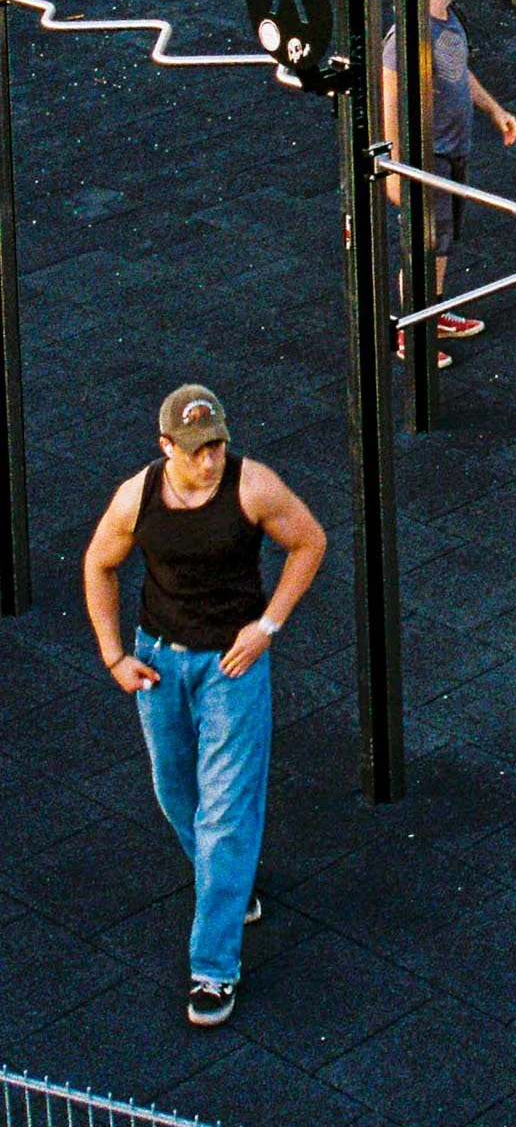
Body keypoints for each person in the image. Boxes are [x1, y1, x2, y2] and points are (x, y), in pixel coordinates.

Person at [82, 386, 326, 1030]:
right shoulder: (137, 496)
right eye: (196, 451)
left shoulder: (254, 487)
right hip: (159, 662)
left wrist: (266, 626)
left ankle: (214, 967)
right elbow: (98, 564)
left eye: (217, 444)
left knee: (226, 812)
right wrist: (113, 656)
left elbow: (309, 541)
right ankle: (231, 884)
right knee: (174, 788)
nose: (211, 460)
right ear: (167, 449)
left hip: (230, 665)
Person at [382, 0, 516, 355]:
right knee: (423, 244)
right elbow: (388, 100)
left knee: (443, 240)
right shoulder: (405, 38)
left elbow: (459, 72)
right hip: (427, 158)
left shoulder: (448, 19)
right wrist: (393, 166)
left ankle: (434, 312)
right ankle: (411, 332)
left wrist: (495, 110)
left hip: (455, 149)